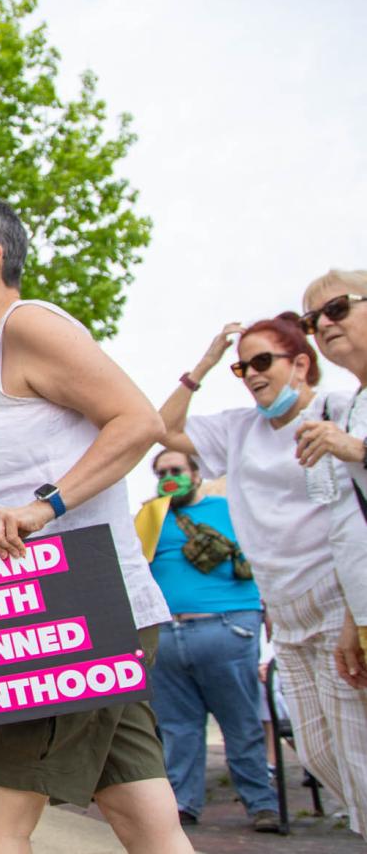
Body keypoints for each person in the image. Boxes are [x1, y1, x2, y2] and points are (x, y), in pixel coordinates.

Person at [0, 195, 188, 854]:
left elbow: (137, 420)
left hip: (70, 614)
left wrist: (42, 506)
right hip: (87, 609)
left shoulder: (29, 325)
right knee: (143, 819)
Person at [159, 309, 367, 836]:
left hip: (336, 598)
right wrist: (204, 364)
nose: (251, 373)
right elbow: (160, 429)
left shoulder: (337, 409)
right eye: (242, 366)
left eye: (262, 361)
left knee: (357, 756)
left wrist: (353, 608)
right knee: (319, 756)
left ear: (300, 364)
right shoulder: (237, 429)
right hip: (285, 611)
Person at [133, 451, 279, 830]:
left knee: (241, 722)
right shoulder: (149, 517)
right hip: (167, 635)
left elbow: (263, 558)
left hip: (226, 627)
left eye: (177, 470)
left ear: (196, 474)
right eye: (162, 472)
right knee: (178, 729)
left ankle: (261, 803)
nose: (169, 477)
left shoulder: (230, 509)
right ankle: (183, 804)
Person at [296, 272, 367, 690]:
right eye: (311, 320)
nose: (323, 325)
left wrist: (356, 450)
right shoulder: (353, 404)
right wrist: (352, 617)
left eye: (337, 308)